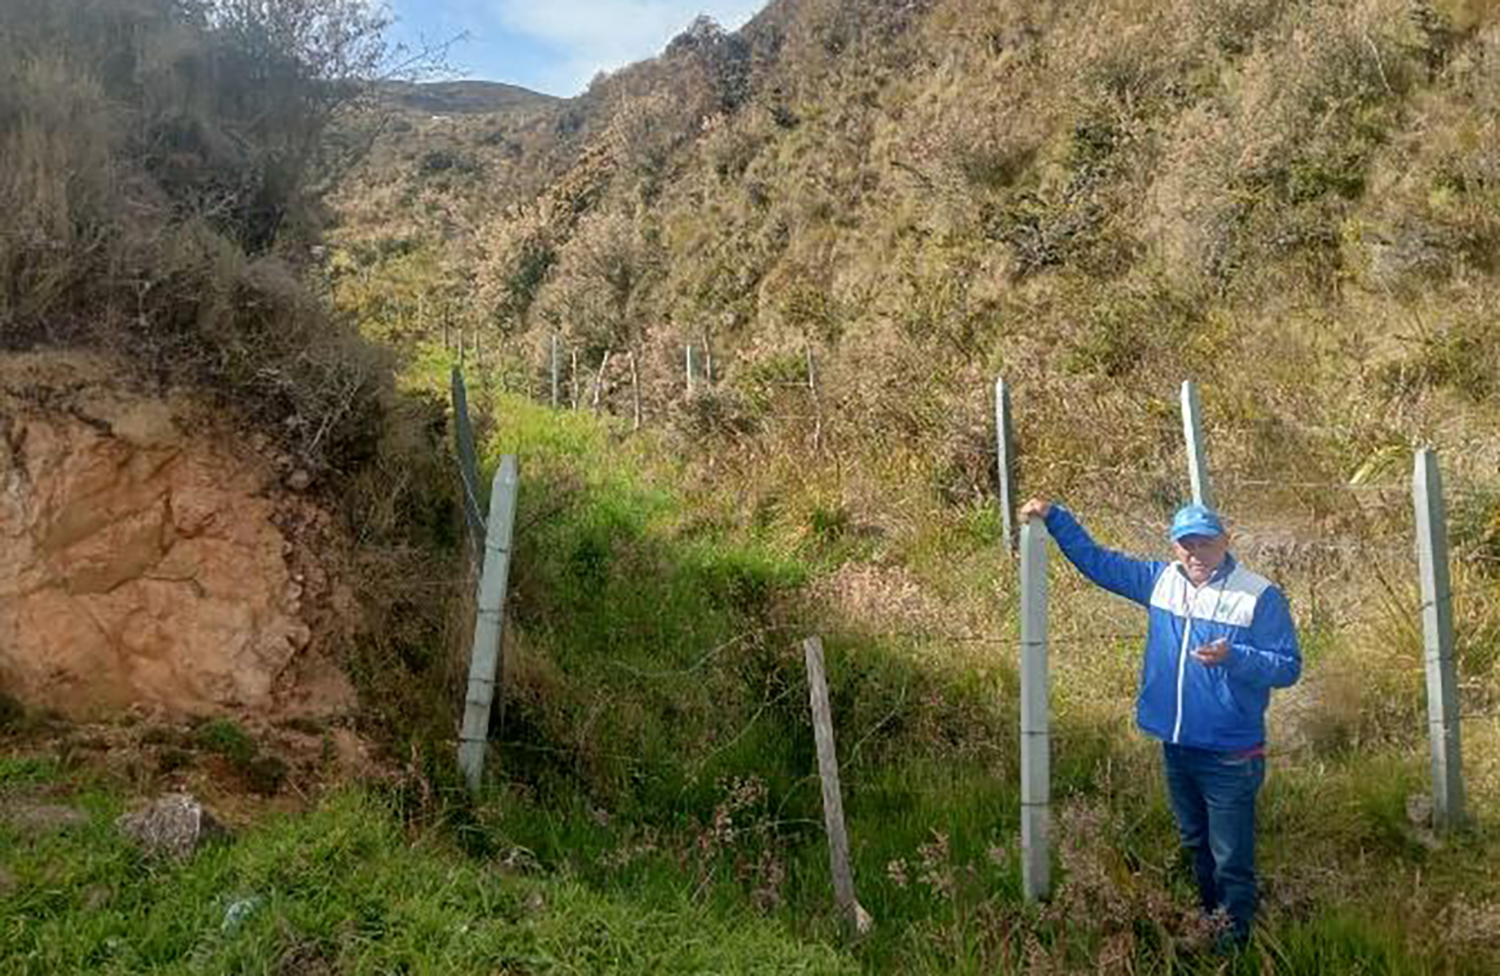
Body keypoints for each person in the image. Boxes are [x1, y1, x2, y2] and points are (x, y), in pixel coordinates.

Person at [1018, 498, 1300, 947]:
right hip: (1176, 745)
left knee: (1231, 858)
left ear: (1225, 542)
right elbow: (1098, 563)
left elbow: (1287, 667)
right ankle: (1215, 926)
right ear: (1174, 547)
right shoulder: (1160, 581)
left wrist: (1235, 657)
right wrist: (1054, 517)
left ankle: (1234, 946)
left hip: (1231, 753)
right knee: (1196, 845)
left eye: (1205, 543)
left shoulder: (1258, 595)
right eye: (1186, 544)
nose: (1195, 553)